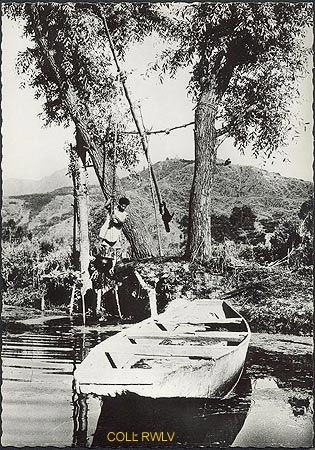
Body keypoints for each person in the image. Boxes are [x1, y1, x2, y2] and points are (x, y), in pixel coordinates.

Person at [99, 196, 130, 273]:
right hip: (108, 233)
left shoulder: (125, 214)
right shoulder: (114, 209)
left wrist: (115, 217)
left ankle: (114, 267)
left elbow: (121, 222)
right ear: (119, 204)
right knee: (105, 250)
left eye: (125, 207)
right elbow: (106, 206)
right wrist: (111, 198)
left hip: (116, 234)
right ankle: (104, 265)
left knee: (116, 251)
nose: (123, 208)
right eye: (122, 206)